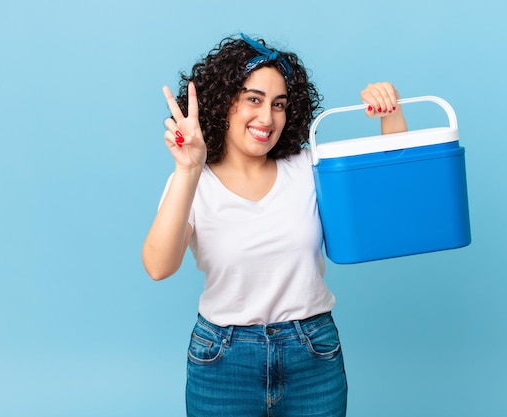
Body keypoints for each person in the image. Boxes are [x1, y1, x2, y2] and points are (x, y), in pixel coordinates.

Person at [142, 33, 407, 417]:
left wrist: (391, 114)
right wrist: (187, 169)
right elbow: (158, 266)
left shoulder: (307, 168)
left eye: (279, 104)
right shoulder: (193, 180)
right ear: (224, 102)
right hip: (221, 360)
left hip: (313, 353)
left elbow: (388, 206)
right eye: (254, 99)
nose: (267, 118)